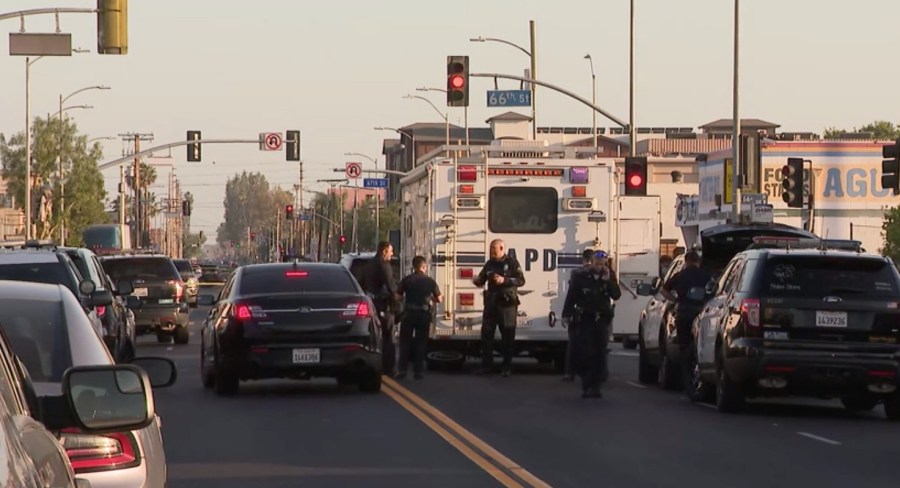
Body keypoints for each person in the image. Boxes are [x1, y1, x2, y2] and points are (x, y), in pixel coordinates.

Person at [562, 249, 621, 398]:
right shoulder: (581, 277)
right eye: (598, 263)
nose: (600, 266)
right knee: (586, 353)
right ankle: (586, 384)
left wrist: (608, 281)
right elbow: (572, 296)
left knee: (599, 353)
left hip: (601, 319)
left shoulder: (608, 276)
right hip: (585, 319)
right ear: (592, 263)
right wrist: (566, 314)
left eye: (603, 264)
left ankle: (596, 385)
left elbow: (616, 295)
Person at [659, 250, 712, 389]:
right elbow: (714, 292)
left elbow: (663, 290)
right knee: (699, 345)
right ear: (698, 262)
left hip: (684, 312)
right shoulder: (705, 276)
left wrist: (676, 299)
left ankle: (686, 379)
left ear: (686, 261)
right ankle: (697, 374)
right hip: (700, 313)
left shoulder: (680, 275)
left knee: (684, 346)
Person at [472, 239, 525, 377]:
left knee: (507, 336)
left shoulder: (511, 263)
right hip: (491, 304)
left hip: (507, 304)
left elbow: (521, 280)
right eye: (490, 249)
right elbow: (482, 279)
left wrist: (504, 280)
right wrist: (477, 281)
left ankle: (506, 367)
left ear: (502, 249)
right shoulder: (489, 263)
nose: (492, 252)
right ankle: (486, 366)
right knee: (486, 335)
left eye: (494, 249)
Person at [395, 255, 442, 380]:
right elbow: (439, 298)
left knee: (405, 343)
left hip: (409, 314)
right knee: (421, 344)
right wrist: (430, 299)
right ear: (423, 267)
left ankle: (402, 371)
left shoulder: (407, 280)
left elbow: (398, 297)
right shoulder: (430, 281)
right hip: (423, 314)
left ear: (413, 267)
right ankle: (418, 372)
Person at [362, 242, 398, 376]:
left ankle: (374, 364)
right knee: (389, 337)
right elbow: (391, 285)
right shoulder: (384, 266)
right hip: (383, 304)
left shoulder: (369, 264)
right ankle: (388, 367)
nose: (392, 254)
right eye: (390, 251)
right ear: (384, 251)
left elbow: (362, 283)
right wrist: (397, 297)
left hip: (372, 304)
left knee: (375, 337)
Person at [563, 249, 596, 382]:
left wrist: (566, 313)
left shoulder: (577, 273)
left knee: (576, 344)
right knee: (581, 344)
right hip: (585, 313)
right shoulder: (578, 274)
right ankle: (577, 372)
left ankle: (571, 372)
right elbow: (572, 294)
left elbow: (570, 295)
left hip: (585, 313)